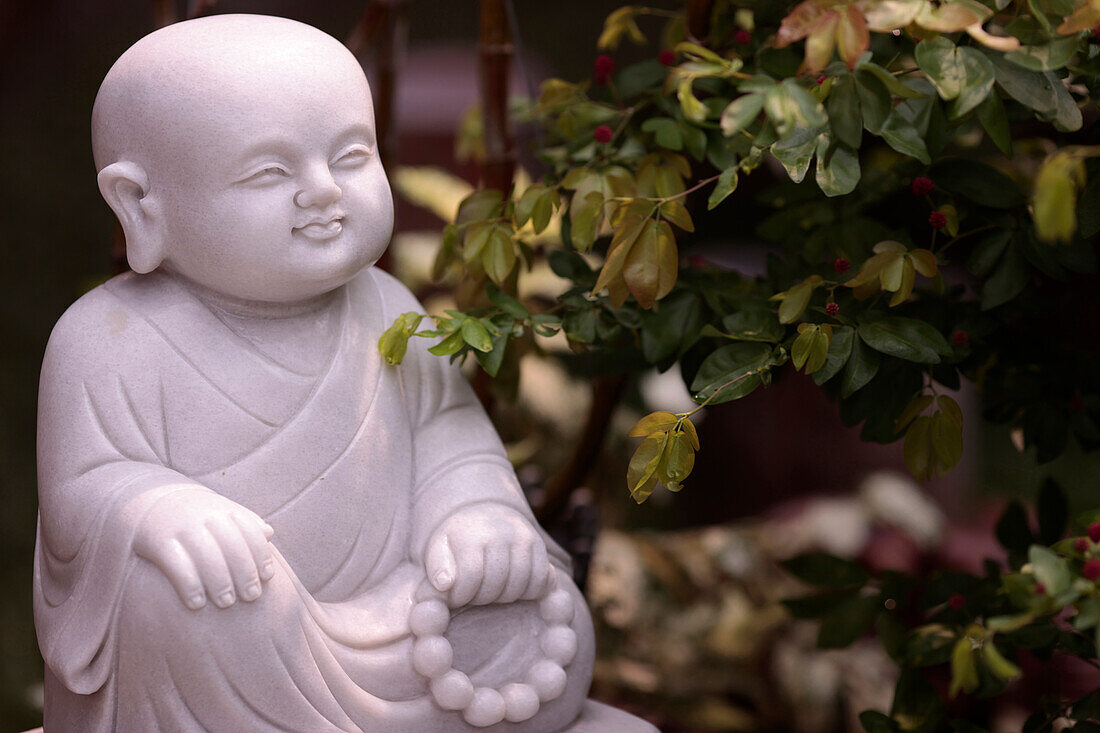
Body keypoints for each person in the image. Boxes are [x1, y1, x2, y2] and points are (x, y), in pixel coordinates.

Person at [34, 14, 654, 732]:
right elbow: (84, 490)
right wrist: (153, 508)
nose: (324, 191)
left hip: (400, 619)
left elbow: (450, 441)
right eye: (270, 171)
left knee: (543, 612)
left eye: (351, 156)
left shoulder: (387, 307)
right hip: (244, 629)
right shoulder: (109, 338)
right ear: (141, 203)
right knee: (168, 594)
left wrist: (476, 517)